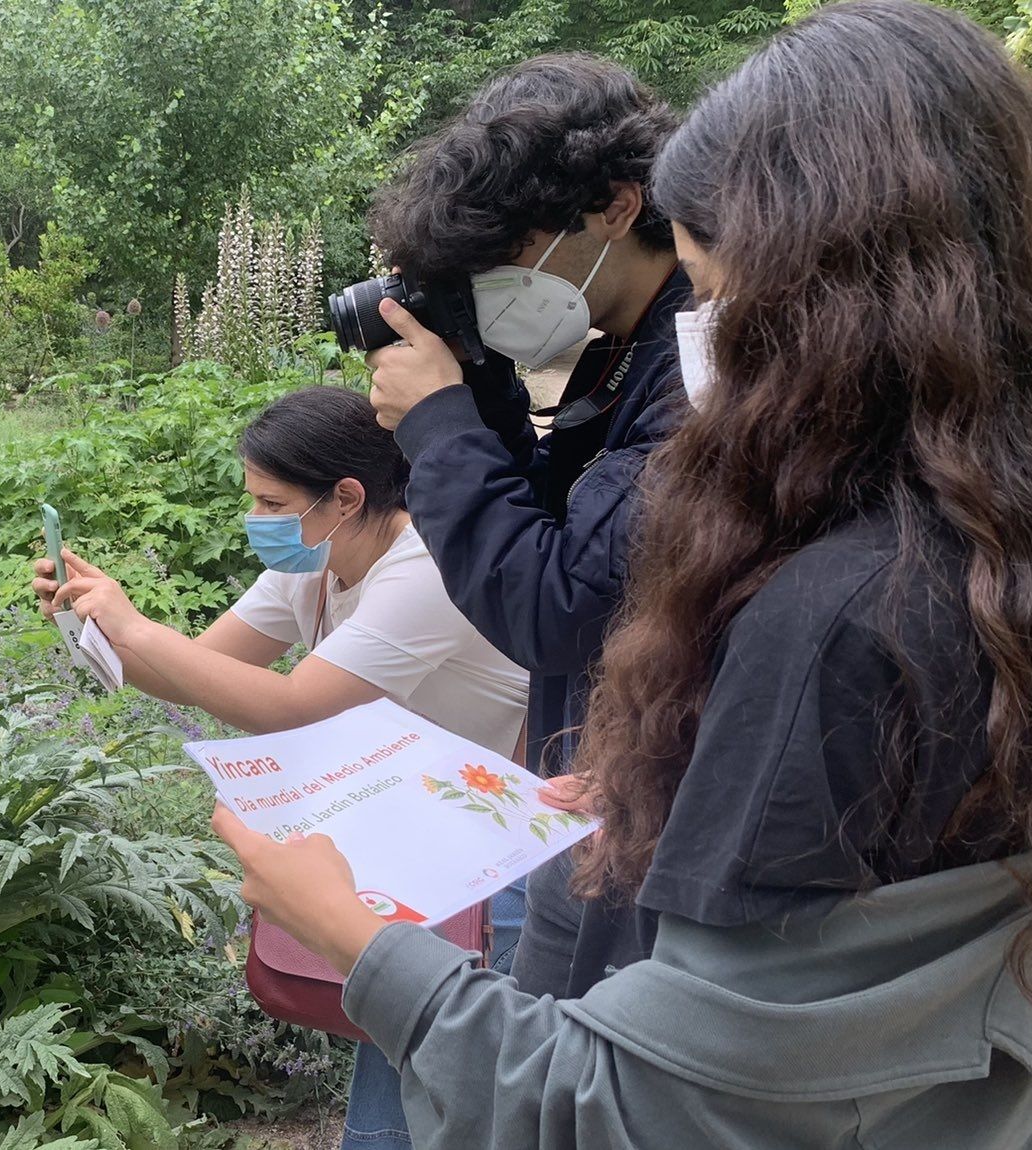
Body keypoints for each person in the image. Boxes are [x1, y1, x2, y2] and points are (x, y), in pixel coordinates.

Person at [213, 1, 1032, 1145]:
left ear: (827, 305)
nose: (702, 342)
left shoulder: (838, 618)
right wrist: (673, 778)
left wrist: (358, 944)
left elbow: (646, 1108)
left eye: (714, 296)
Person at [30, 385, 530, 1147]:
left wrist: (135, 625)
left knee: (461, 1086)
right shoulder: (316, 557)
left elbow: (296, 707)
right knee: (409, 1079)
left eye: (270, 502)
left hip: (502, 860)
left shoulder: (425, 566)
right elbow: (204, 670)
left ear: (345, 497)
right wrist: (91, 626)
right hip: (425, 843)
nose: (256, 521)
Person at [359, 54, 690, 1000]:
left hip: (647, 826)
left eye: (510, 252)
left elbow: (560, 605)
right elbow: (555, 520)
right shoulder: (618, 352)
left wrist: (438, 426)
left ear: (617, 206)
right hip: (596, 792)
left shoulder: (701, 365)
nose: (500, 281)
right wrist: (484, 398)